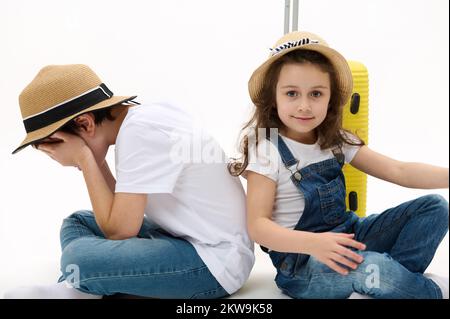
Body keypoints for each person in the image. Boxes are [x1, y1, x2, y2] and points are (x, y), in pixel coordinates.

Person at [228, 31, 449, 299]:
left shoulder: (335, 140)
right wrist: (316, 244)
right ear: (273, 97)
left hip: (348, 235)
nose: (304, 106)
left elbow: (398, 170)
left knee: (436, 207)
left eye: (316, 94)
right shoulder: (267, 150)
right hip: (302, 263)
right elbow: (258, 227)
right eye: (292, 93)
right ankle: (428, 291)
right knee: (369, 267)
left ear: (331, 98)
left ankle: (391, 281)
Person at [5, 64, 254, 299]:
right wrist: (89, 157)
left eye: (55, 147)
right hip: (178, 235)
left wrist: (84, 156)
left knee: (77, 260)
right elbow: (120, 210)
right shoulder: (140, 120)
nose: (60, 160)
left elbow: (119, 231)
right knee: (77, 222)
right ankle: (84, 287)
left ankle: (80, 286)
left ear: (85, 123)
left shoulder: (140, 133)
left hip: (213, 263)